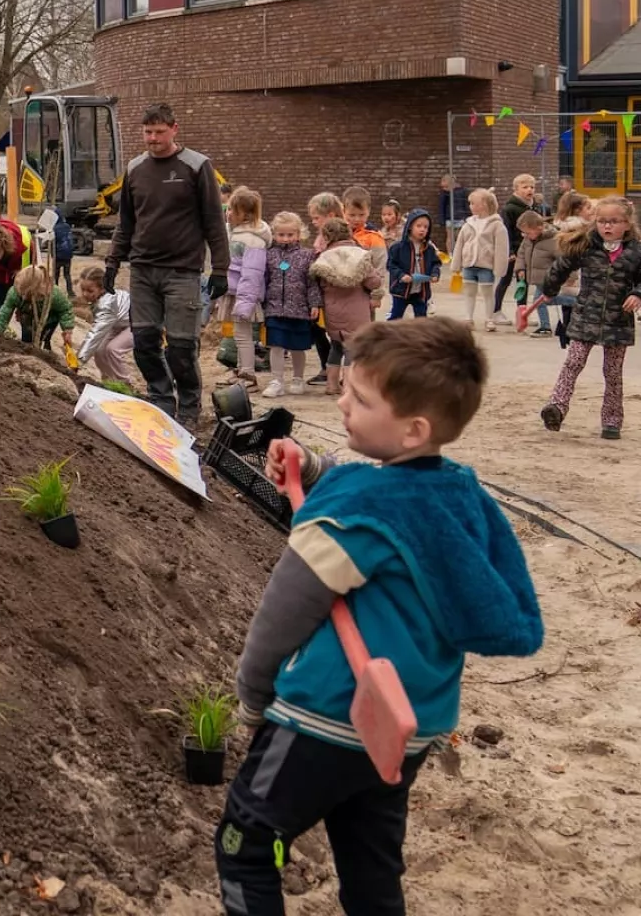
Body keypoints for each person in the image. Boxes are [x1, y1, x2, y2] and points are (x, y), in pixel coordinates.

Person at [217, 319, 544, 916]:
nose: (341, 399)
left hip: (324, 717)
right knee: (371, 867)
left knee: (248, 845)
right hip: (406, 728)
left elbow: (284, 612)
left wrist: (254, 696)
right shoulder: (460, 495)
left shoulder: (354, 511)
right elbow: (395, 497)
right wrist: (314, 471)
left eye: (360, 398)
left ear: (413, 428)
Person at [103, 102, 230, 423]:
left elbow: (214, 221)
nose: (153, 138)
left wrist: (220, 268)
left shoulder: (197, 166)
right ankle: (161, 398)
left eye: (159, 132)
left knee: (181, 346)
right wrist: (113, 261)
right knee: (144, 342)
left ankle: (188, 406)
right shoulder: (135, 169)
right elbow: (126, 222)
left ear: (174, 129)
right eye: (147, 132)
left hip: (183, 271)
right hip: (143, 269)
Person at [532, 195, 641, 440]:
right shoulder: (586, 245)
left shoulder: (636, 251)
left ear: (626, 223)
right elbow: (561, 267)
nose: (607, 226)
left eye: (614, 222)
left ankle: (612, 421)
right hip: (585, 315)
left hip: (618, 320)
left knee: (612, 372)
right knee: (573, 363)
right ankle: (556, 407)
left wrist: (637, 293)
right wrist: (549, 290)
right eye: (602, 221)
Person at [312, 218, 385, 396]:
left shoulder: (323, 258)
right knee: (352, 348)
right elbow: (373, 282)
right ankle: (349, 386)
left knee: (336, 346)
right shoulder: (359, 255)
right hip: (357, 311)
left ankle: (331, 384)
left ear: (327, 237)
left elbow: (319, 284)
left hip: (333, 311)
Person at [260, 212, 320, 399]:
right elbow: (264, 280)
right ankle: (276, 380)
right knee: (275, 345)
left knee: (297, 347)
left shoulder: (307, 255)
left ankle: (298, 378)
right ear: (275, 234)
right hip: (274, 307)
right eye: (281, 235)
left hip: (299, 309)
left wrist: (315, 304)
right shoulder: (269, 255)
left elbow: (312, 283)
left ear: (299, 234)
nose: (285, 239)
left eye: (290, 235)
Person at [223, 186, 272, 390]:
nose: (228, 213)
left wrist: (244, 303)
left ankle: (248, 375)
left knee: (244, 336)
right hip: (237, 292)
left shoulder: (251, 240)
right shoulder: (237, 234)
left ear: (245, 214)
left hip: (244, 295)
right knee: (239, 335)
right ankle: (241, 371)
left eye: (232, 210)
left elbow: (251, 274)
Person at [448, 188, 511, 333]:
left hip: (486, 265)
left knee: (488, 293)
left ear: (483, 204)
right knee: (469, 292)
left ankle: (489, 318)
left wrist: (500, 268)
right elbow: (460, 244)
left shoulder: (497, 225)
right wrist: (456, 264)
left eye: (472, 203)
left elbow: (502, 248)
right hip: (469, 264)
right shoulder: (468, 224)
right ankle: (468, 318)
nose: (470, 206)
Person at [304, 193, 347, 382]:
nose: (313, 222)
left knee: (336, 333)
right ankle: (326, 367)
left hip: (333, 292)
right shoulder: (322, 236)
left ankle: (335, 371)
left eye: (316, 218)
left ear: (330, 216)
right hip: (321, 290)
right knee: (318, 328)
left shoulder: (338, 238)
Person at [0, 264, 76, 356]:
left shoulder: (53, 294)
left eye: (27, 295)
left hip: (49, 319)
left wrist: (67, 330)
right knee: (26, 340)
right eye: (22, 294)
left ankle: (45, 348)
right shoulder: (15, 292)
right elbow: (5, 312)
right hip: (27, 318)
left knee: (43, 337)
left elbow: (65, 310)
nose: (24, 297)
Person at [495, 173, 543, 320]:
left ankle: (521, 313)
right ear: (516, 189)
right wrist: (509, 251)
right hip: (515, 251)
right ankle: (495, 310)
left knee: (523, 282)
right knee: (506, 279)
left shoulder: (535, 207)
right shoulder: (509, 209)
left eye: (532, 187)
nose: (530, 190)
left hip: (529, 250)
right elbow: (506, 231)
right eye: (525, 187)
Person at [74, 264, 133, 384]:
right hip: (119, 322)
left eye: (90, 291)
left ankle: (125, 384)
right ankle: (108, 382)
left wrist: (78, 361)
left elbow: (96, 333)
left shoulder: (107, 304)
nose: (85, 294)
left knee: (113, 349)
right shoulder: (99, 301)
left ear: (102, 288)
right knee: (100, 350)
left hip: (138, 323)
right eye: (83, 289)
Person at [550, 190, 591, 346]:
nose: (591, 211)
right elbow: (572, 256)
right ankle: (572, 333)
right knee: (575, 305)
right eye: (588, 208)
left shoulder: (563, 226)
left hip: (567, 275)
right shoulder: (579, 229)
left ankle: (567, 332)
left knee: (567, 306)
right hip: (575, 275)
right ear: (577, 210)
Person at [385, 208, 440, 319]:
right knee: (395, 317)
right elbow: (391, 265)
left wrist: (435, 274)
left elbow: (436, 263)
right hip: (401, 290)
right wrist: (401, 275)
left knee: (421, 319)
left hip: (421, 291)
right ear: (410, 226)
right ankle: (390, 335)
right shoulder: (397, 247)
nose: (422, 230)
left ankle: (420, 336)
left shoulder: (429, 248)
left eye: (425, 227)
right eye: (418, 226)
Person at [512, 208, 557, 338]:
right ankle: (545, 327)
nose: (525, 235)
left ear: (539, 227)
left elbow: (563, 259)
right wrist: (520, 269)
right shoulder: (527, 240)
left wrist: (568, 276)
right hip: (537, 278)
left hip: (549, 277)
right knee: (541, 301)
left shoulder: (552, 240)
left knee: (542, 300)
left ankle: (574, 302)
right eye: (523, 233)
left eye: (527, 232)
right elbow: (521, 255)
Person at [340, 187, 387, 253]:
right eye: (352, 215)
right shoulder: (337, 235)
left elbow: (381, 262)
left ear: (369, 211)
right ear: (343, 211)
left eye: (362, 215)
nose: (357, 219)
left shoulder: (374, 237)